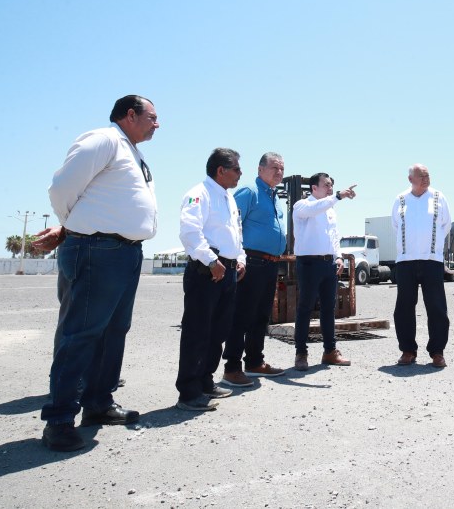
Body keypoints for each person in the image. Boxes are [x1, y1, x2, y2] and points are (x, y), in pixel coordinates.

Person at [34, 94, 160, 452]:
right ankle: (58, 420)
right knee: (81, 335)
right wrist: (70, 226)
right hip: (96, 250)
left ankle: (98, 404)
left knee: (114, 331)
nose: (157, 123)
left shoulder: (133, 152)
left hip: (125, 252)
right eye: (152, 116)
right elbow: (62, 189)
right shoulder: (104, 140)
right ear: (130, 115)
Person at [175, 148, 247, 412]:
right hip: (207, 272)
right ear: (221, 170)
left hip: (227, 271)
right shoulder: (199, 194)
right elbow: (190, 231)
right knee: (197, 331)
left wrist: (240, 259)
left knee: (218, 331)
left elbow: (236, 233)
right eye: (237, 168)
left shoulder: (227, 198)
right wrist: (211, 261)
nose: (240, 173)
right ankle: (189, 391)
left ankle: (206, 380)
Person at [220, 152, 288, 388]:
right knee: (242, 316)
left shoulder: (274, 196)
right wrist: (238, 258)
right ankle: (232, 367)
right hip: (251, 262)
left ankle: (255, 362)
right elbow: (232, 224)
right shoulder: (249, 192)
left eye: (282, 169)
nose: (279, 172)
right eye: (274, 168)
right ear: (260, 169)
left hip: (271, 263)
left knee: (261, 316)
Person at [291, 173, 356, 370]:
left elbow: (334, 235)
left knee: (329, 309)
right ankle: (301, 353)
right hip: (309, 264)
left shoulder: (330, 210)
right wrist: (337, 196)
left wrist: (338, 256)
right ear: (313, 188)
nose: (330, 188)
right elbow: (314, 209)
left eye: (331, 186)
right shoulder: (302, 205)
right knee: (305, 308)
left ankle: (330, 351)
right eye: (326, 185)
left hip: (329, 265)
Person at [392, 164, 452, 368]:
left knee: (436, 307)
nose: (426, 179)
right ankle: (408, 351)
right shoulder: (400, 199)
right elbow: (395, 225)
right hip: (405, 262)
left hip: (431, 261)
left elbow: (446, 224)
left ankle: (437, 352)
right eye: (422, 176)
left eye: (428, 175)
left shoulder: (438, 197)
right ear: (411, 179)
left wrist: (433, 248)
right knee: (404, 308)